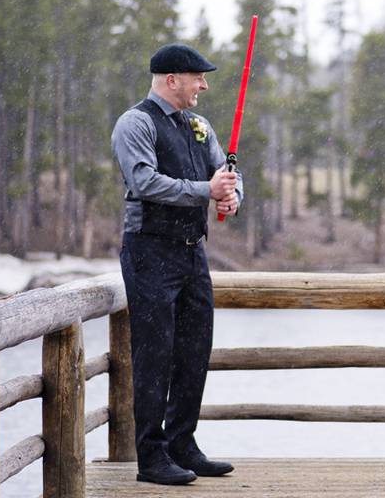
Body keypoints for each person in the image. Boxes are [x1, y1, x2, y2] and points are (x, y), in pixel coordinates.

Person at [111, 43, 242, 486]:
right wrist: (207, 190)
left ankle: (183, 445)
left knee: (193, 350)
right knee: (154, 354)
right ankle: (151, 457)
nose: (204, 85)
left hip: (192, 251)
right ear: (172, 80)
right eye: (197, 78)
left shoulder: (200, 126)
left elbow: (224, 175)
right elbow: (144, 182)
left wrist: (230, 195)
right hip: (149, 251)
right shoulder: (135, 123)